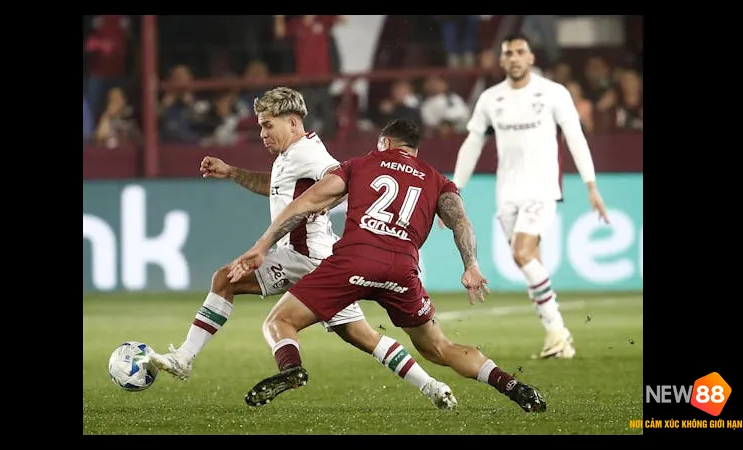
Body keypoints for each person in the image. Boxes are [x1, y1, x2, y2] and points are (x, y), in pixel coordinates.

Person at [150, 87, 457, 410]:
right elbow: (275, 186)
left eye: (268, 125)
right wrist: (233, 172)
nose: (262, 133)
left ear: (294, 122)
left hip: (306, 256)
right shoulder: (290, 157)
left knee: (226, 280)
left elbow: (342, 179)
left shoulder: (310, 153)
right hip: (314, 258)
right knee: (361, 335)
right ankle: (432, 386)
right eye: (260, 126)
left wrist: (326, 202)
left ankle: (193, 358)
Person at [228, 118, 547, 413]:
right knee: (439, 347)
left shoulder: (360, 164)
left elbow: (305, 204)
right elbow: (460, 221)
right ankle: (514, 387)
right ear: (414, 150)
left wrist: (262, 246)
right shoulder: (437, 181)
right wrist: (471, 265)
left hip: (354, 261)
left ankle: (291, 368)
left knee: (279, 321)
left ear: (385, 143)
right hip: (402, 271)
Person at [441, 33, 610, 360]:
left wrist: (591, 185)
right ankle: (557, 339)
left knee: (521, 253)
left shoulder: (553, 93)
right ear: (502, 61)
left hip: (542, 188)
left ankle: (558, 331)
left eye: (521, 52)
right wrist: (454, 188)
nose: (515, 58)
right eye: (509, 53)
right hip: (506, 192)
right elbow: (473, 142)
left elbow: (575, 136)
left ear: (531, 57)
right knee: (532, 262)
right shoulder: (491, 99)